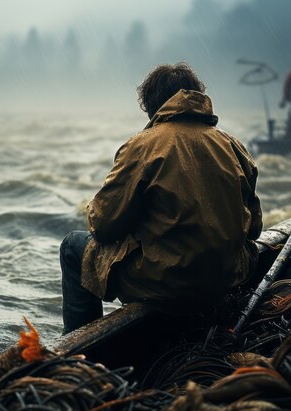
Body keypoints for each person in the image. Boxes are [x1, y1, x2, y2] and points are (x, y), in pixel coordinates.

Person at [60, 63, 262, 335]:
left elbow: (105, 226)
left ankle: (80, 351)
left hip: (168, 286)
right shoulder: (233, 145)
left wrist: (96, 211)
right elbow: (255, 228)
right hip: (227, 279)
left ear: (153, 104)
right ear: (197, 97)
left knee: (73, 246)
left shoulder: (143, 145)